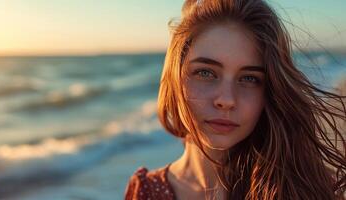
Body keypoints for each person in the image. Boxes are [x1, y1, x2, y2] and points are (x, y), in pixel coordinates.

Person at [124, 0, 346, 199]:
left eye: (249, 78)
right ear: (174, 77)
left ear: (269, 90)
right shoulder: (146, 192)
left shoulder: (305, 189)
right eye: (205, 73)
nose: (227, 100)